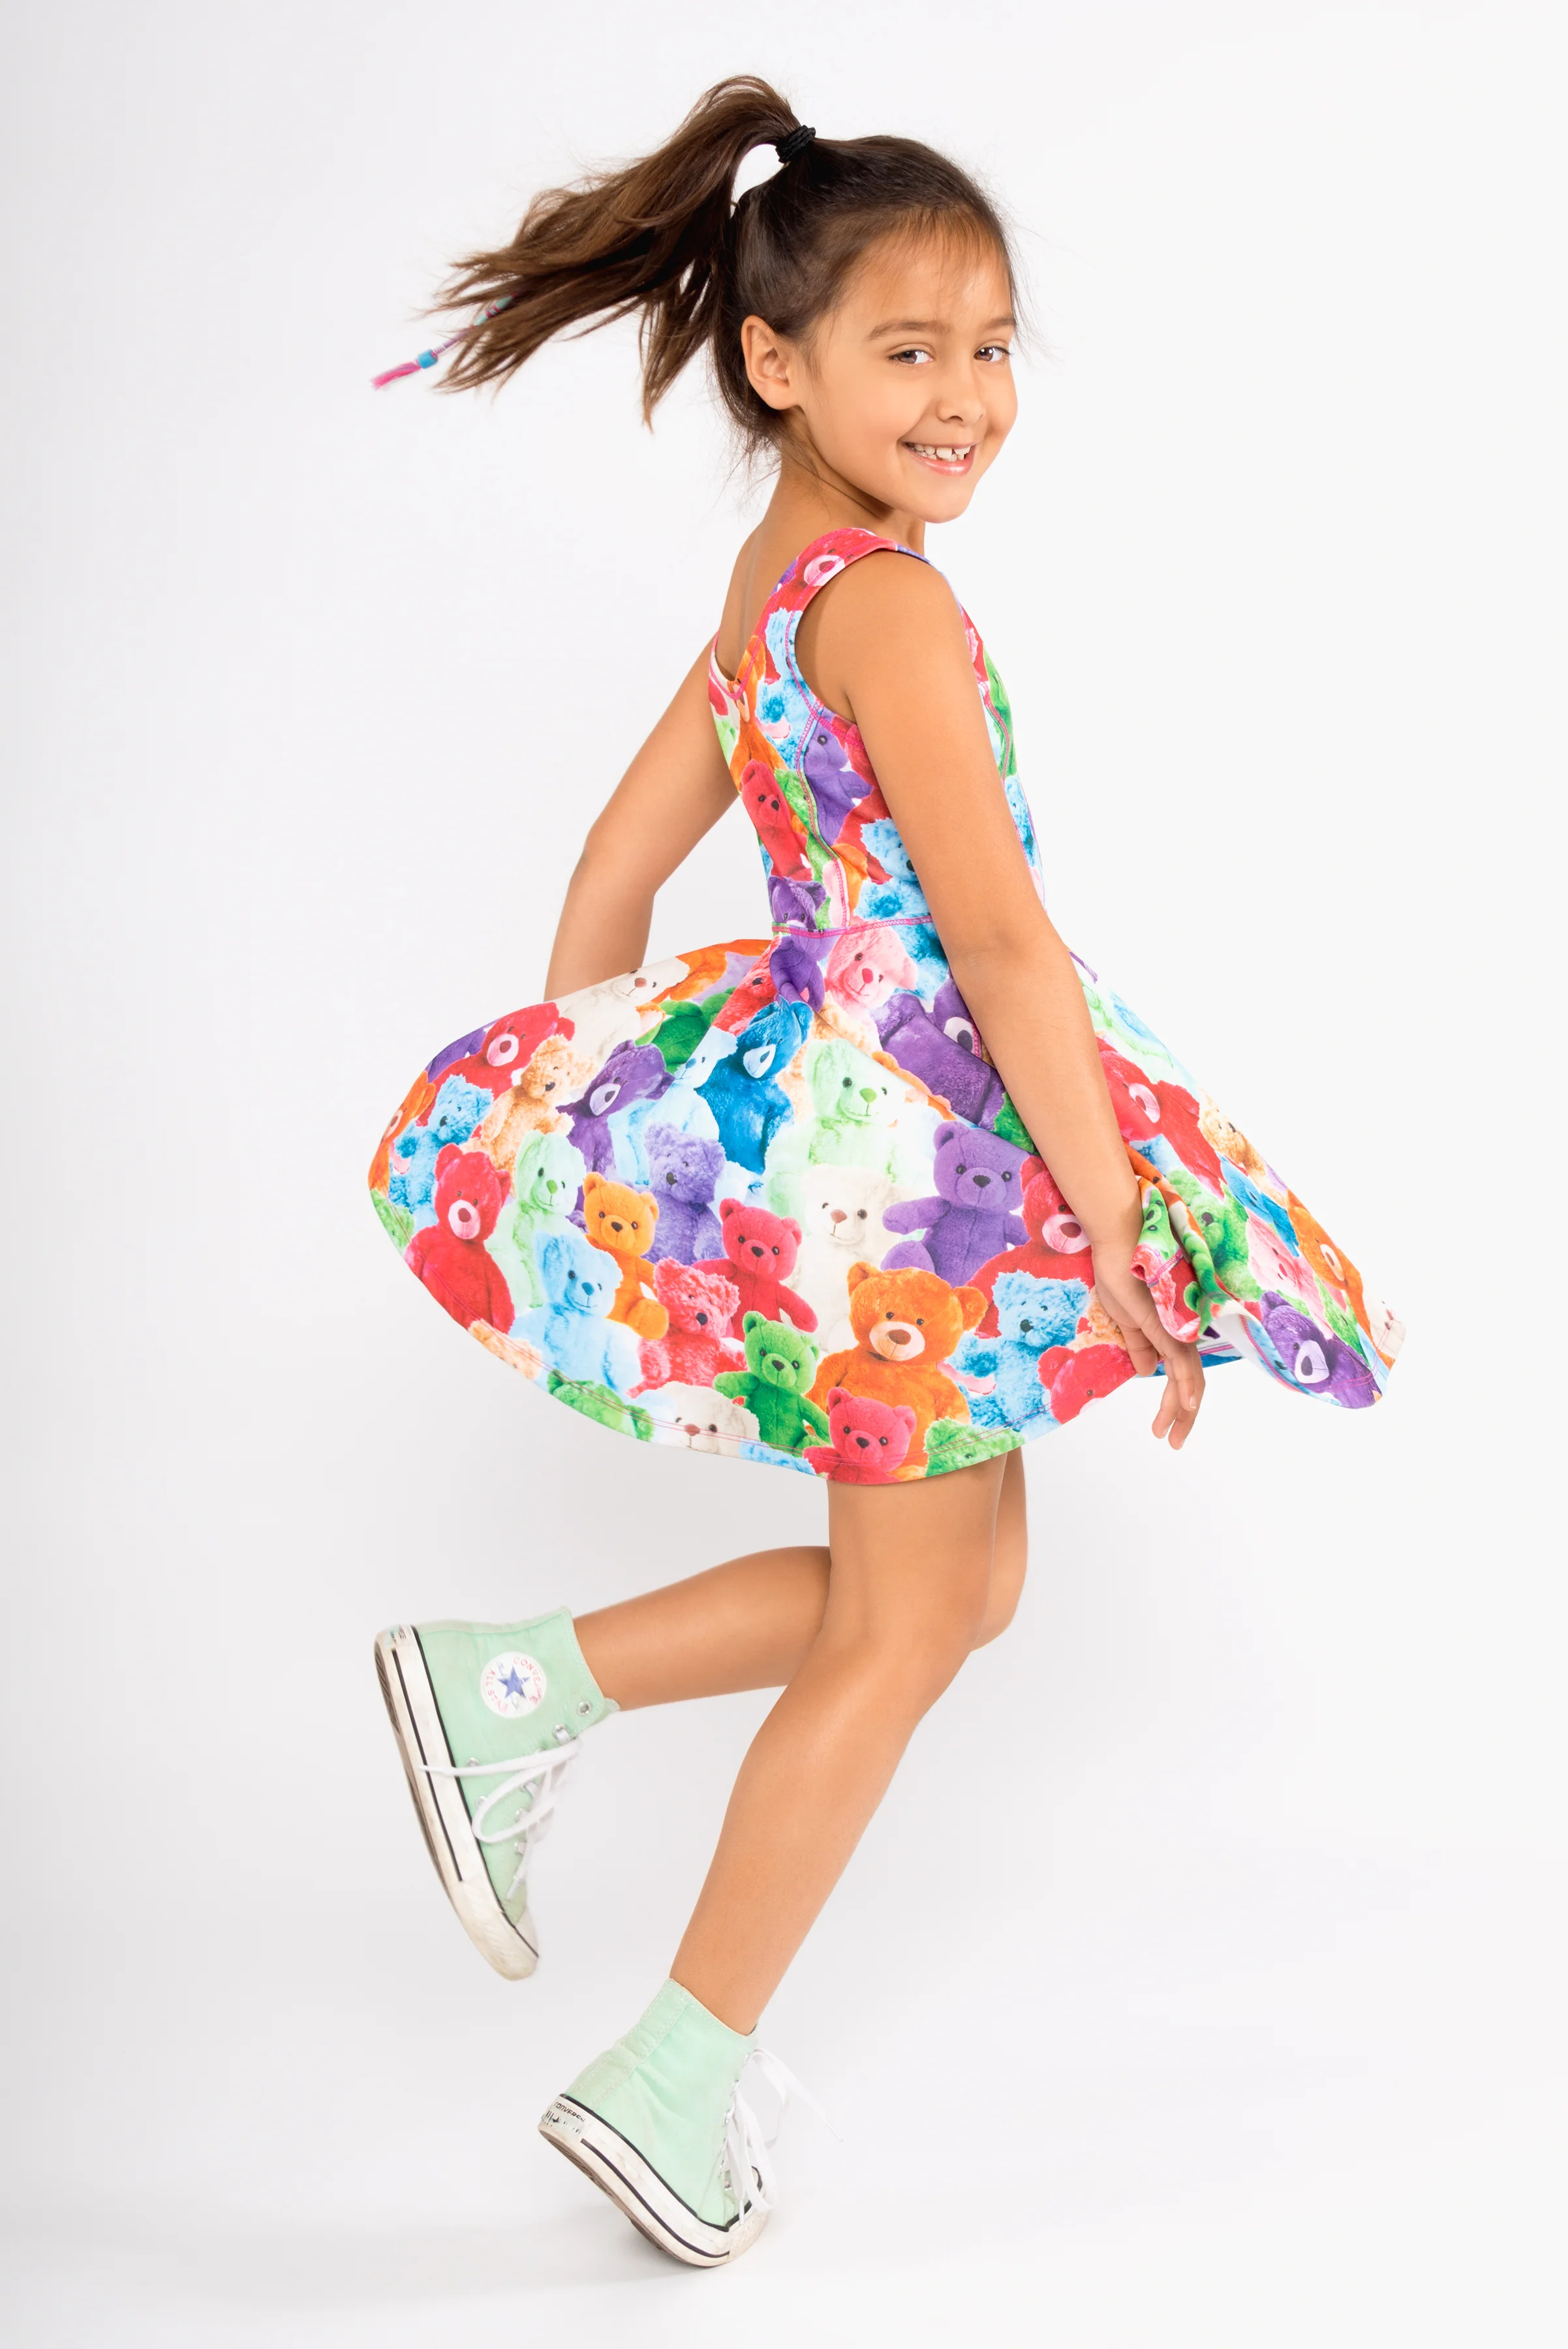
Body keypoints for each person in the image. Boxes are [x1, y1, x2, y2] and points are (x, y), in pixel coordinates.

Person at [367, 76, 1401, 2268]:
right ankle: (673, 2074)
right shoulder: (897, 615)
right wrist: (1116, 1229)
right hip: (929, 1166)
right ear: (779, 361)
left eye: (994, 345)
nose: (966, 395)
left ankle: (514, 1687)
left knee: (957, 1590)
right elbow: (999, 943)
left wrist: (596, 1117)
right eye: (909, 348)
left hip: (856, 1145)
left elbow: (618, 867)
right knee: (914, 1618)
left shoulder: (775, 593)